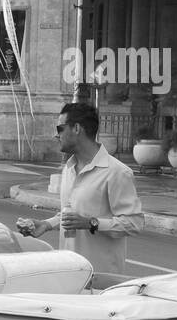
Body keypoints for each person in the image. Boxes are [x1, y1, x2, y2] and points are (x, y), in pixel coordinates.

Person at [19, 102, 143, 276]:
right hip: (68, 273)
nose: (56, 135)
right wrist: (46, 225)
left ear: (77, 128)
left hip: (101, 279)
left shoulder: (117, 172)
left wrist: (91, 223)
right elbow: (71, 213)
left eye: (60, 128)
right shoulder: (69, 168)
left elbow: (134, 223)